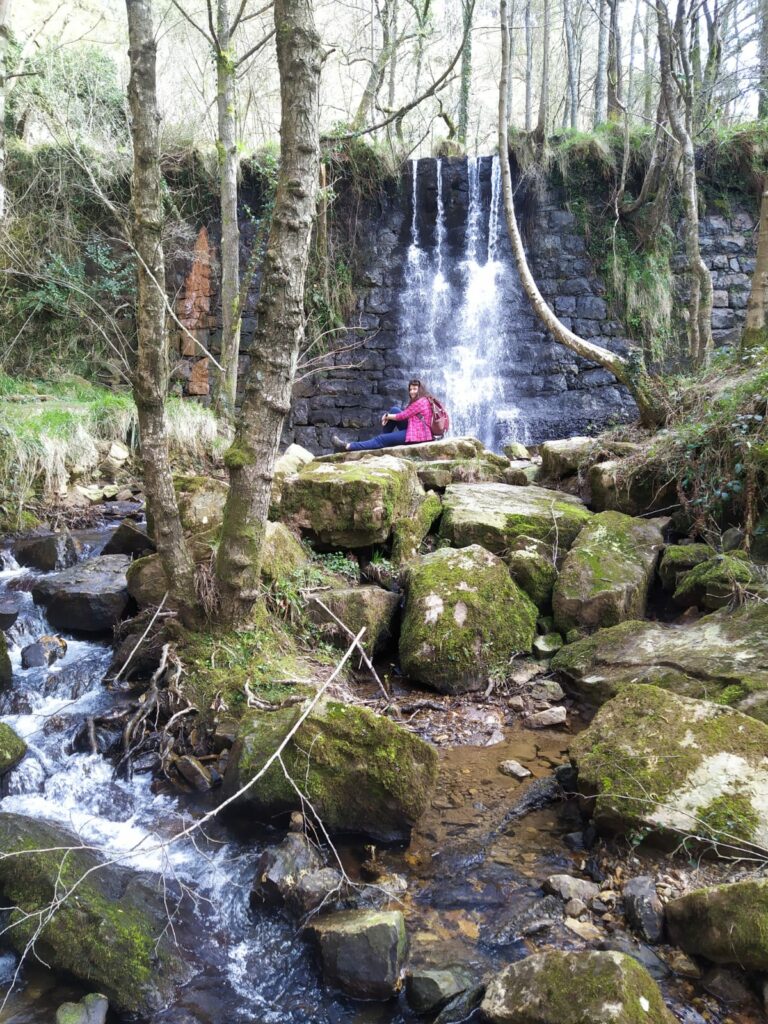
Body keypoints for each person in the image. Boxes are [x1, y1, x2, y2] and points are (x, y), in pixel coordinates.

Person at [332, 379, 434, 452]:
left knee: (381, 438)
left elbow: (402, 416)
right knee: (394, 410)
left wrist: (387, 416)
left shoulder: (421, 401)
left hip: (418, 436)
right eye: (410, 389)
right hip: (417, 429)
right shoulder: (424, 400)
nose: (412, 391)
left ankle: (348, 446)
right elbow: (403, 414)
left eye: (415, 389)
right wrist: (389, 415)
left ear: (420, 390)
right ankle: (381, 441)